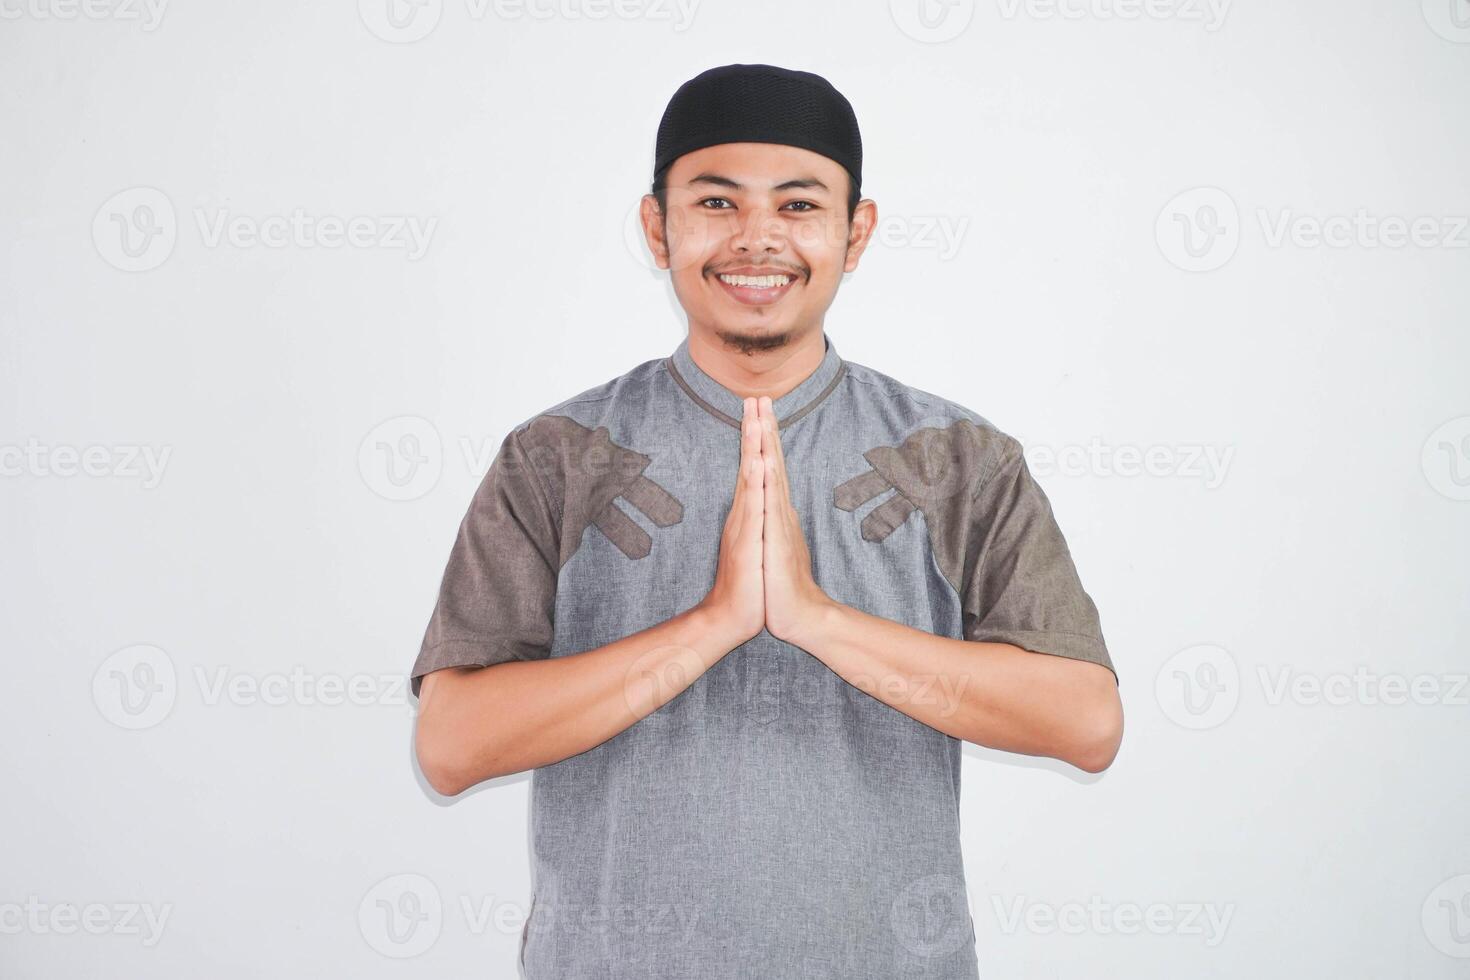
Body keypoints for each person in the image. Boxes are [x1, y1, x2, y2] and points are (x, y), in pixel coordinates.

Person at [410, 62, 1123, 980]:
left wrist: (818, 621)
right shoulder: (557, 456)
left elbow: (1087, 721)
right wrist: (709, 628)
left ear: (854, 232)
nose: (756, 240)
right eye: (715, 202)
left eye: (798, 206)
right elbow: (451, 743)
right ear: (656, 225)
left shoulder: (956, 460)